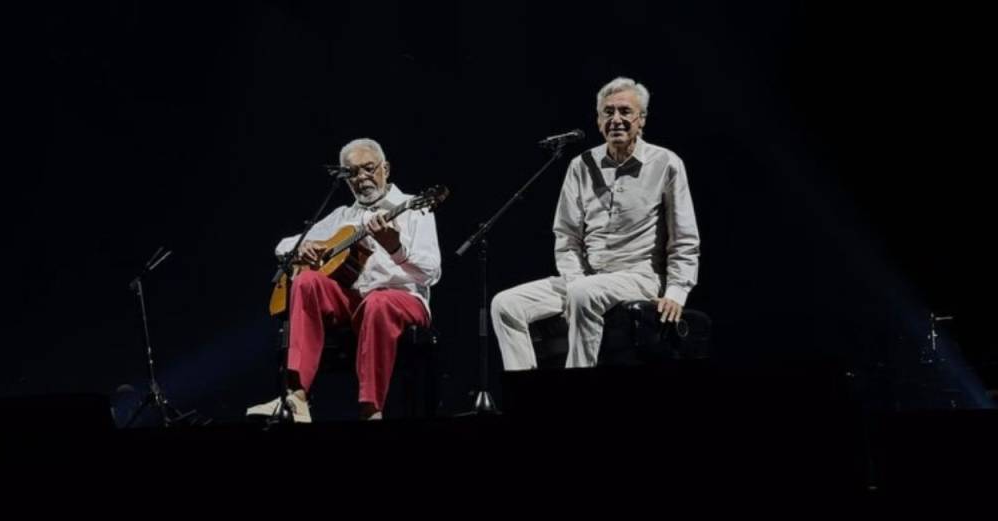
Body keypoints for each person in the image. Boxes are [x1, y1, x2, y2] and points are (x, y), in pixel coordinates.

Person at [491, 77, 700, 370]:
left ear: (641, 120)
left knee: (582, 293)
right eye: (608, 112)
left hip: (639, 276)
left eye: (625, 112)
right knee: (505, 304)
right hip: (584, 278)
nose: (616, 119)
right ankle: (528, 398)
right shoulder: (581, 165)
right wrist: (574, 277)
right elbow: (566, 236)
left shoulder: (666, 163)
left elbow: (685, 240)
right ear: (598, 120)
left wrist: (676, 292)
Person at [248, 138, 441, 421]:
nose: (362, 177)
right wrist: (301, 248)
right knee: (306, 281)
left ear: (385, 168)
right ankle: (296, 399)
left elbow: (432, 272)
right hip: (355, 302)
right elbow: (283, 245)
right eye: (352, 173)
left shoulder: (413, 207)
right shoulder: (344, 216)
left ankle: (370, 411)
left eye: (368, 168)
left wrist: (395, 249)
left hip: (402, 300)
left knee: (377, 302)